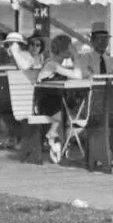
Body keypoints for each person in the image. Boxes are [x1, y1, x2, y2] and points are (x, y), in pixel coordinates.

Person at [36, 34, 84, 163]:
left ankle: (55, 139)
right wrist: (76, 56)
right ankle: (54, 137)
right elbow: (78, 76)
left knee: (76, 119)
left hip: (56, 104)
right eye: (70, 47)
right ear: (63, 50)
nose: (72, 49)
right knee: (74, 119)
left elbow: (77, 75)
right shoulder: (52, 65)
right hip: (46, 105)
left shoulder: (57, 65)